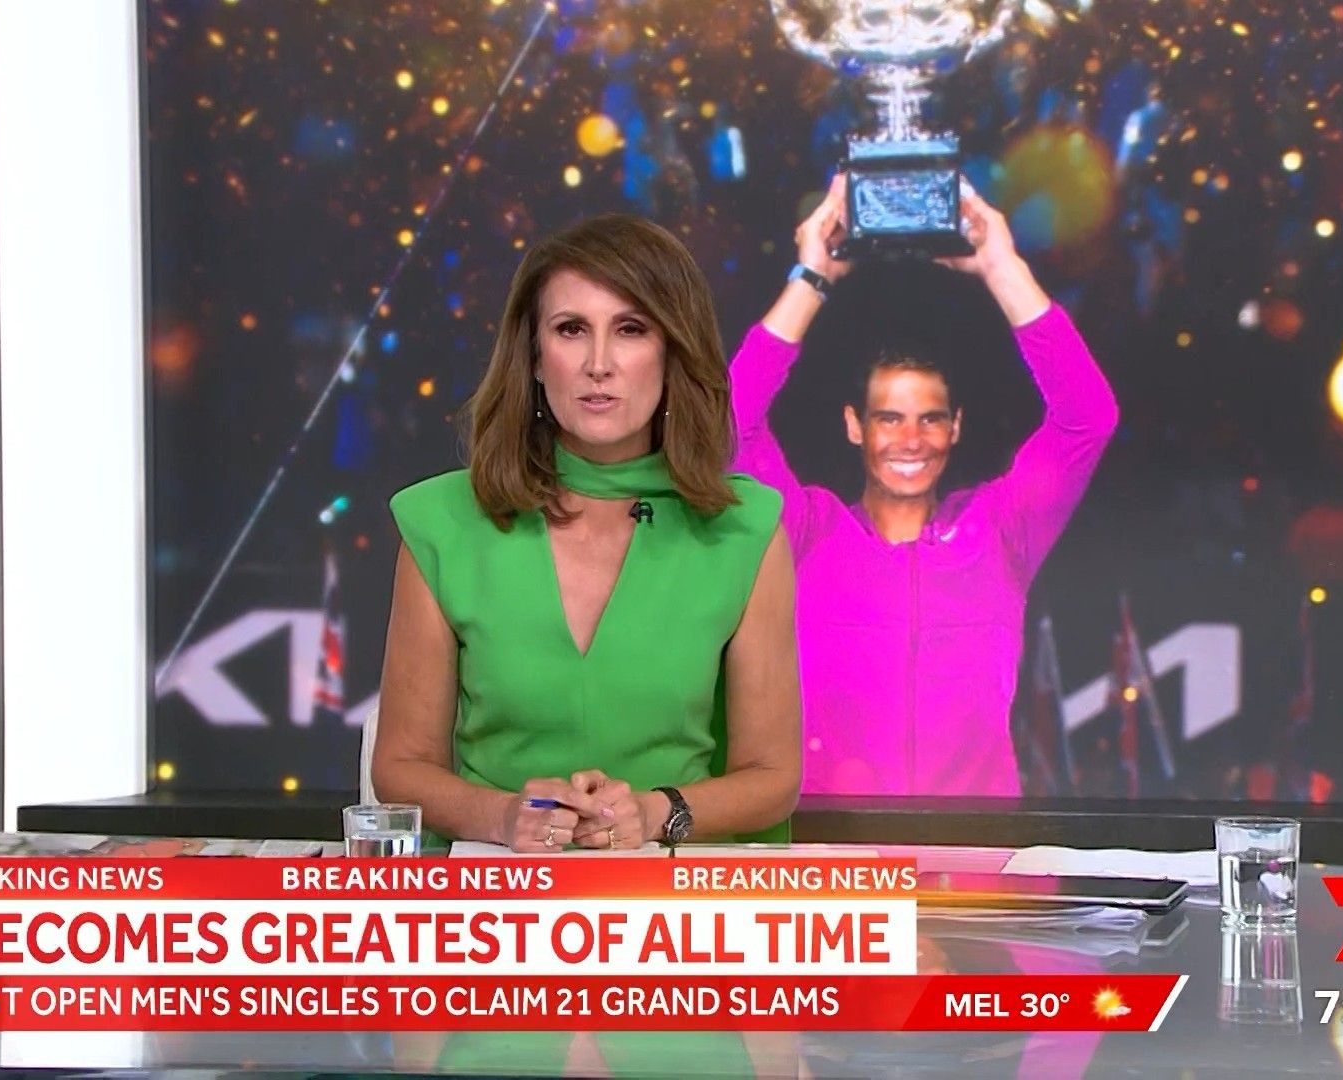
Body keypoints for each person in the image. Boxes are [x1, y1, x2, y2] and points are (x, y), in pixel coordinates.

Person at [373, 212, 802, 854]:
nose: (599, 364)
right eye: (571, 329)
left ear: (671, 352)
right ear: (534, 358)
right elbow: (402, 768)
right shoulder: (443, 523)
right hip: (497, 892)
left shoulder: (744, 530)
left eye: (630, 329)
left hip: (670, 899)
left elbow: (771, 777)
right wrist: (504, 817)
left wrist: (656, 812)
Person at [731, 176, 1119, 796]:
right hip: (835, 848)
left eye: (930, 419)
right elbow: (729, 423)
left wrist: (1001, 267)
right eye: (889, 418)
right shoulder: (807, 533)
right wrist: (811, 278)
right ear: (855, 426)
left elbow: (1087, 418)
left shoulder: (1000, 529)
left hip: (975, 849)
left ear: (955, 426)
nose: (910, 439)